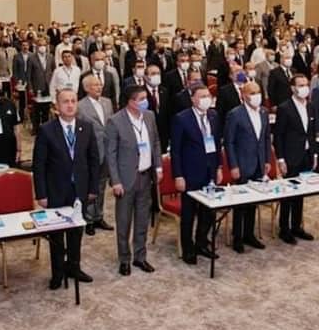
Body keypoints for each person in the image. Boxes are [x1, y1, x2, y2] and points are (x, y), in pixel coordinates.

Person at [33, 88, 99, 289]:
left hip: (79, 190)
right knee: (56, 236)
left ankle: (74, 267)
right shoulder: (46, 130)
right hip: (55, 190)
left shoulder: (86, 127)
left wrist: (93, 188)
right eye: (65, 101)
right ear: (56, 106)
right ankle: (57, 273)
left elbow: (93, 160)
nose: (70, 105)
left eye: (73, 101)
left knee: (76, 232)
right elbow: (39, 165)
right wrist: (41, 193)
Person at [105, 85, 162, 275]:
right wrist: (115, 181)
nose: (146, 102)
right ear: (130, 102)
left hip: (146, 176)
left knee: (142, 220)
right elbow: (111, 154)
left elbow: (156, 142)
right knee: (124, 221)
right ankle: (124, 259)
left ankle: (140, 256)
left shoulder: (149, 116)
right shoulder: (115, 121)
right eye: (141, 99)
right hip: (125, 179)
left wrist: (158, 166)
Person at [170, 84, 222, 265]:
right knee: (189, 213)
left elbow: (217, 144)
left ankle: (202, 242)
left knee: (208, 212)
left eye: (208, 95)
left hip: (210, 171)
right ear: (192, 99)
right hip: (190, 173)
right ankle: (188, 248)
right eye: (202, 96)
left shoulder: (214, 116)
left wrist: (219, 167)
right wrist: (178, 175)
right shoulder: (181, 118)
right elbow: (175, 150)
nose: (206, 99)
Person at [223, 80, 270, 253]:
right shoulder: (235, 114)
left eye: (258, 92)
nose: (256, 96)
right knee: (241, 203)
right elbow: (229, 142)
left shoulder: (264, 112)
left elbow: (266, 138)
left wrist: (266, 160)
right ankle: (238, 237)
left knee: (253, 201)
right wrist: (233, 165)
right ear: (244, 95)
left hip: (259, 163)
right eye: (252, 93)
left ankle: (249, 234)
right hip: (242, 164)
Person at [273, 74, 316, 243]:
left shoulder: (310, 106)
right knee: (288, 194)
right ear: (293, 88)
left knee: (300, 193)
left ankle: (297, 226)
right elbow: (278, 136)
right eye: (300, 85)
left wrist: (314, 154)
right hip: (290, 156)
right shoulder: (285, 108)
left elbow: (311, 132)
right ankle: (284, 229)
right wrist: (281, 159)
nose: (304, 88)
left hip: (306, 155)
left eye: (306, 84)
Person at [78, 74, 115, 235]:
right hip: (90, 152)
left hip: (107, 150)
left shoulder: (107, 102)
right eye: (95, 85)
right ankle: (88, 219)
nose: (99, 87)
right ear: (86, 88)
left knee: (101, 185)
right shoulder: (80, 106)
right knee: (90, 186)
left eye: (100, 84)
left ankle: (99, 216)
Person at [27, 39, 55, 131]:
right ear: (37, 47)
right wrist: (30, 88)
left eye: (44, 45)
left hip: (48, 87)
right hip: (37, 87)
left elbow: (54, 71)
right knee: (36, 109)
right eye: (40, 45)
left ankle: (45, 128)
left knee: (46, 109)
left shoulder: (50, 57)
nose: (42, 47)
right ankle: (36, 128)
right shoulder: (31, 58)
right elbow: (28, 75)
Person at [144, 63, 172, 153]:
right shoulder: (141, 93)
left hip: (163, 136)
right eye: (153, 74)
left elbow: (168, 113)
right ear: (145, 77)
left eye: (158, 73)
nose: (156, 76)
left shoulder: (164, 91)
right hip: (148, 135)